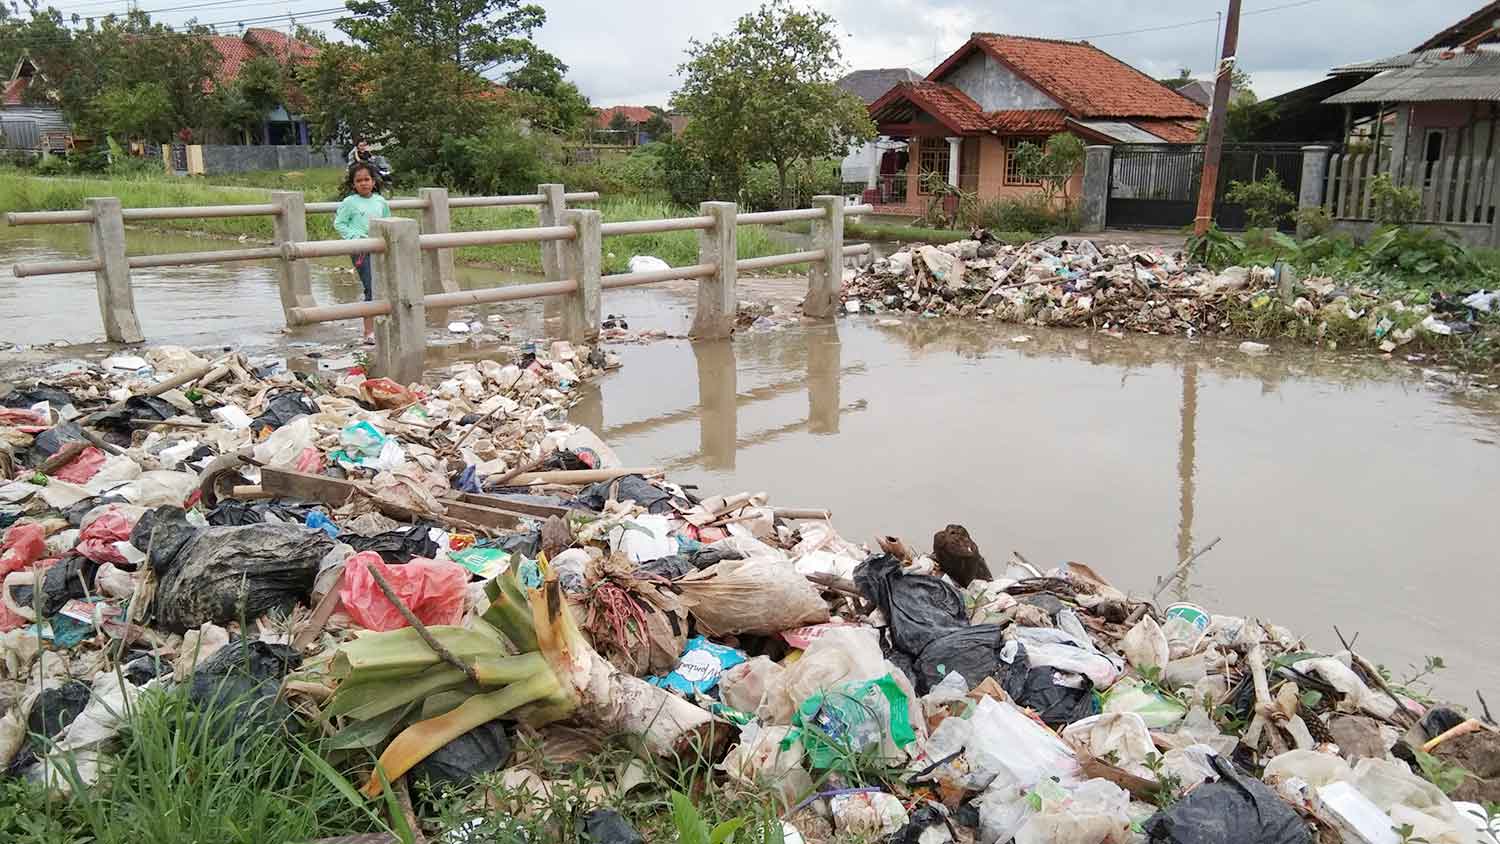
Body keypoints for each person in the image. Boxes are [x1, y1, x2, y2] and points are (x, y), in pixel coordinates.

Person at [334, 161, 391, 343]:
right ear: (353, 184)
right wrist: (354, 237)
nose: (363, 183)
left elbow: (388, 222)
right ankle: (369, 332)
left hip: (380, 248)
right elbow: (339, 223)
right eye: (359, 181)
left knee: (385, 286)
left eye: (367, 179)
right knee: (371, 287)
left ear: (373, 181)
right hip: (361, 250)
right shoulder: (349, 202)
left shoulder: (380, 201)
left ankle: (385, 327)